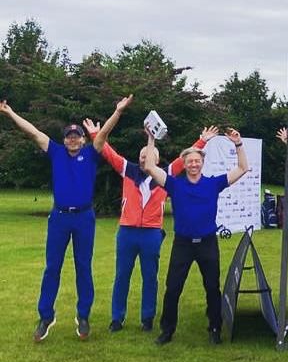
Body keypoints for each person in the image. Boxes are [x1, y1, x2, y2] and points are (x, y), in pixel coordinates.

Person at [1, 95, 132, 341]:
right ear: (64, 140)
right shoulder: (56, 152)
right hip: (59, 218)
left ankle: (83, 316)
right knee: (52, 267)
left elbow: (103, 134)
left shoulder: (91, 153)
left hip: (84, 218)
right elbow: (33, 132)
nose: (73, 140)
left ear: (83, 139)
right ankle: (46, 317)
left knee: (83, 267)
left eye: (77, 136)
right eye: (69, 137)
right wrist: (9, 113)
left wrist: (118, 111)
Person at [82, 120, 218, 333]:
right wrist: (94, 135)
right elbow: (108, 153)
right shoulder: (128, 170)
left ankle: (147, 318)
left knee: (150, 278)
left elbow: (186, 160)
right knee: (122, 276)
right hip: (127, 231)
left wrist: (202, 141)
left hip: (152, 233)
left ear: (157, 159)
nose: (145, 159)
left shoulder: (165, 176)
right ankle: (117, 318)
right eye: (142, 156)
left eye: (150, 156)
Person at [143, 127, 249, 345]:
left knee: (212, 288)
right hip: (183, 244)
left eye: (197, 161)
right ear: (184, 164)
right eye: (190, 161)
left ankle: (215, 328)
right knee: (173, 288)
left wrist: (238, 144)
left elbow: (243, 168)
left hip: (207, 243)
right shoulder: (174, 184)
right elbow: (150, 167)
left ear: (202, 163)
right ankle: (167, 331)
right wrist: (151, 139)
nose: (193, 164)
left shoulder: (213, 183)